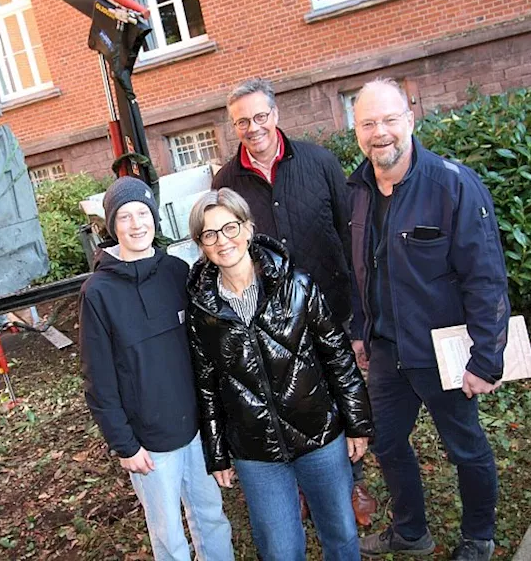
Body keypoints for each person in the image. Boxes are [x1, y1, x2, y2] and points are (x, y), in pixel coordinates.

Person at [346, 79, 510, 561]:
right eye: (368, 123)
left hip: (444, 352)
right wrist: (360, 331)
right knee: (389, 444)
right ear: (356, 131)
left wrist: (486, 359)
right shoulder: (356, 190)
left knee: (466, 448)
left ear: (411, 120)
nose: (381, 133)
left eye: (389, 120)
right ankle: (411, 532)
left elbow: (485, 276)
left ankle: (479, 535)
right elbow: (360, 266)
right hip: (386, 351)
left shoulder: (451, 185)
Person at [212, 77, 374, 522]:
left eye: (260, 116)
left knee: (341, 394)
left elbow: (350, 236)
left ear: (276, 115)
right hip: (273, 326)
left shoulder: (319, 161)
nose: (253, 127)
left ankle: (352, 484)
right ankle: (301, 487)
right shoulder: (226, 181)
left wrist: (359, 318)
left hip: (332, 308)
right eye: (242, 121)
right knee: (293, 401)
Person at [185, 187, 373, 561]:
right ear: (201, 245)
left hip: (319, 434)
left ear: (249, 228)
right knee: (280, 549)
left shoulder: (297, 286)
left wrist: (357, 423)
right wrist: (218, 453)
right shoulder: (200, 310)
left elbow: (336, 354)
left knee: (340, 533)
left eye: (230, 227)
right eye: (210, 234)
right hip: (256, 452)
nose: (223, 241)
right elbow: (206, 385)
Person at [79, 177, 234, 561]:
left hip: (195, 428)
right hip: (147, 442)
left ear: (155, 219)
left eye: (143, 214)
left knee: (210, 515)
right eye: (125, 216)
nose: (136, 224)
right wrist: (124, 444)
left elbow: (204, 349)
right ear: (112, 225)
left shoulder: (176, 272)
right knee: (168, 534)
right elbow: (98, 378)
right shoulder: (98, 293)